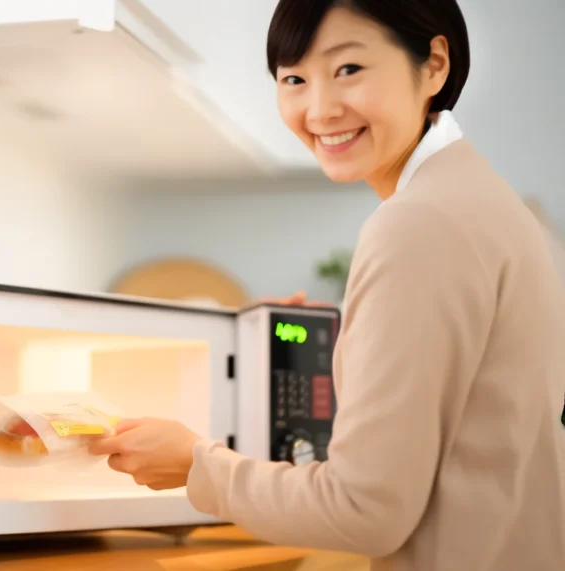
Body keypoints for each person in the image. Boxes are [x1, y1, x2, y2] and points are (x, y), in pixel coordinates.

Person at [87, 1, 565, 569]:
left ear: (434, 64)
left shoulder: (419, 223)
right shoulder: (487, 203)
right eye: (294, 79)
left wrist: (196, 465)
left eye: (348, 70)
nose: (319, 109)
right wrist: (354, 336)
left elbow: (365, 510)